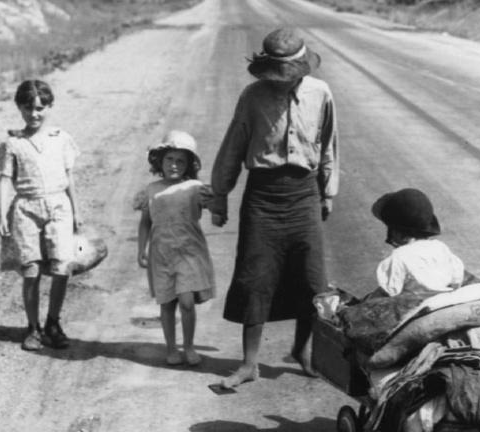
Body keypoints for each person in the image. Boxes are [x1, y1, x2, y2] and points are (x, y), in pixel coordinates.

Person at [209, 27, 338, 389]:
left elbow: (328, 143)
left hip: (304, 194)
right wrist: (220, 197)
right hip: (263, 199)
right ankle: (249, 364)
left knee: (312, 280)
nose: (283, 82)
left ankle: (304, 350)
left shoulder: (321, 93)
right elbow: (233, 147)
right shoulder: (252, 96)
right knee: (256, 278)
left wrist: (327, 191)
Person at [0, 79, 81, 351]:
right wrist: (1, 216)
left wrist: (77, 212)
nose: (34, 114)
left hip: (58, 206)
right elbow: (5, 180)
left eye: (40, 108)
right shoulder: (12, 144)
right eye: (28, 108)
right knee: (31, 270)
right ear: (19, 108)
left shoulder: (61, 138)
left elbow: (69, 177)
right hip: (26, 209)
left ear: (50, 106)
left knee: (61, 267)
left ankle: (53, 322)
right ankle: (33, 327)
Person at [135, 130, 218, 367]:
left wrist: (215, 203)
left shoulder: (194, 187)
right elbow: (145, 223)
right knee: (167, 303)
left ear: (189, 165)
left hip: (189, 251)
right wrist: (141, 249)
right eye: (170, 159)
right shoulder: (151, 190)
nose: (174, 165)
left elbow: (215, 208)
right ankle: (171, 348)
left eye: (181, 161)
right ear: (159, 161)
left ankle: (189, 346)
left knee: (187, 301)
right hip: (161, 254)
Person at [371, 188, 464, 297]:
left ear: (396, 233)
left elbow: (391, 291)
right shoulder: (440, 247)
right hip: (443, 300)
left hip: (414, 307)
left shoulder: (399, 257)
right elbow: (457, 278)